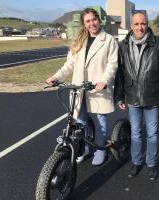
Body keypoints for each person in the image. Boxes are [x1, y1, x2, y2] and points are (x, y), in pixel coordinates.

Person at [46, 8, 118, 166]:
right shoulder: (78, 41)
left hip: (98, 88)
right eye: (88, 21)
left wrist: (104, 80)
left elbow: (112, 65)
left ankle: (101, 150)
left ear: (99, 20)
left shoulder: (109, 40)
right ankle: (85, 148)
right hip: (79, 89)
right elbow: (69, 65)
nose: (92, 23)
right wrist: (56, 77)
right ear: (84, 24)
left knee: (100, 121)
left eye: (94, 19)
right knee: (80, 122)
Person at [114, 10, 159, 180]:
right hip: (132, 97)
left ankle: (152, 163)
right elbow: (120, 74)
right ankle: (136, 162)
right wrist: (119, 96)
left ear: (147, 24)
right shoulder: (123, 46)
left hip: (152, 97)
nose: (140, 27)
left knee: (152, 134)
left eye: (143, 23)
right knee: (135, 133)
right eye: (136, 24)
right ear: (131, 26)